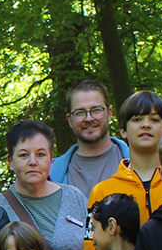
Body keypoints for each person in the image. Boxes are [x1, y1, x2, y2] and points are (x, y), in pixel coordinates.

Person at [81, 91, 162, 250]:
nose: (146, 125)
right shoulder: (102, 191)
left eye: (154, 120)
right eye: (137, 119)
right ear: (123, 130)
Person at [0, 121, 88, 250]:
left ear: (51, 158)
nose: (33, 162)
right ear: (11, 161)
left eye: (40, 154)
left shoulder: (75, 198)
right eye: (24, 155)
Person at [49, 79, 128, 208]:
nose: (89, 118)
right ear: (70, 120)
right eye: (80, 113)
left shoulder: (134, 163)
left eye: (96, 110)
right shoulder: (51, 175)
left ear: (109, 113)